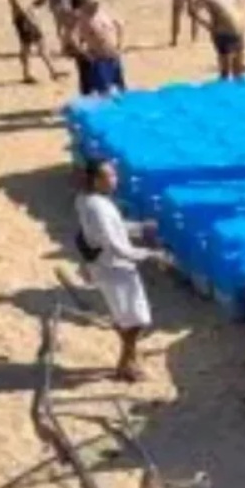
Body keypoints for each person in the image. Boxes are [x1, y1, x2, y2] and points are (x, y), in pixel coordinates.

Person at [75, 159, 160, 382]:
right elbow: (116, 246)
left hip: (106, 266)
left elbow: (114, 228)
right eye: (110, 176)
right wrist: (149, 255)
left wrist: (140, 228)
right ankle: (126, 364)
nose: (115, 179)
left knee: (128, 317)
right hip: (113, 268)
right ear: (96, 180)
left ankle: (128, 361)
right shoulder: (98, 207)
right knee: (136, 320)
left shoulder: (87, 200)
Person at [4, 0, 63, 84]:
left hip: (28, 14)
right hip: (22, 17)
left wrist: (35, 4)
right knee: (27, 46)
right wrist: (27, 16)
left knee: (39, 43)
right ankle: (28, 74)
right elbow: (15, 1)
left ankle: (52, 71)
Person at [190, 0, 245, 80]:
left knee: (239, 71)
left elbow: (234, 7)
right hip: (223, 34)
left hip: (238, 33)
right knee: (225, 71)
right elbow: (192, 10)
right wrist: (206, 25)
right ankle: (223, 93)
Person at [70, 0, 126, 98]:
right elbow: (72, 37)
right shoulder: (81, 17)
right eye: (91, 1)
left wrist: (120, 45)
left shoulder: (103, 13)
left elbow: (120, 25)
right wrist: (84, 53)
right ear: (84, 3)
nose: (96, 4)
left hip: (113, 56)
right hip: (99, 59)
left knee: (120, 88)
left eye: (96, 1)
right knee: (104, 91)